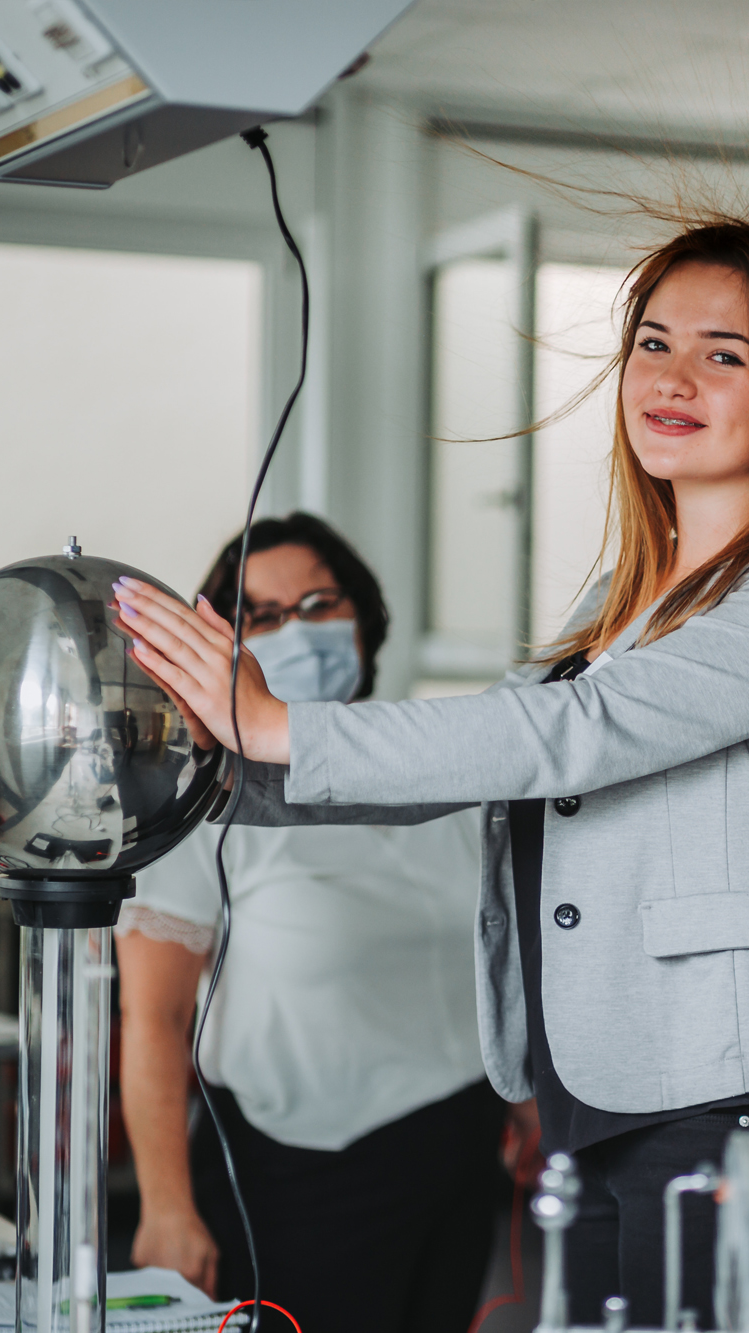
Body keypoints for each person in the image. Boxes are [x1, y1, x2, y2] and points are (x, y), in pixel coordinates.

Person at [114, 219, 749, 1330]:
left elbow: (573, 732)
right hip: (599, 1099)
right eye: (652, 344)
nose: (671, 378)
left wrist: (277, 724)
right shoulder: (628, 590)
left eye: (723, 354)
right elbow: (500, 752)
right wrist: (213, 778)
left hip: (731, 1094)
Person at [116, 513, 509, 1333]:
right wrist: (165, 1205)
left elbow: (497, 957)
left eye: (319, 601)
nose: (294, 628)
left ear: (363, 617)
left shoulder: (439, 764)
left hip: (457, 1151)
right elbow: (153, 1016)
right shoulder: (206, 796)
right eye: (258, 615)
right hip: (293, 1171)